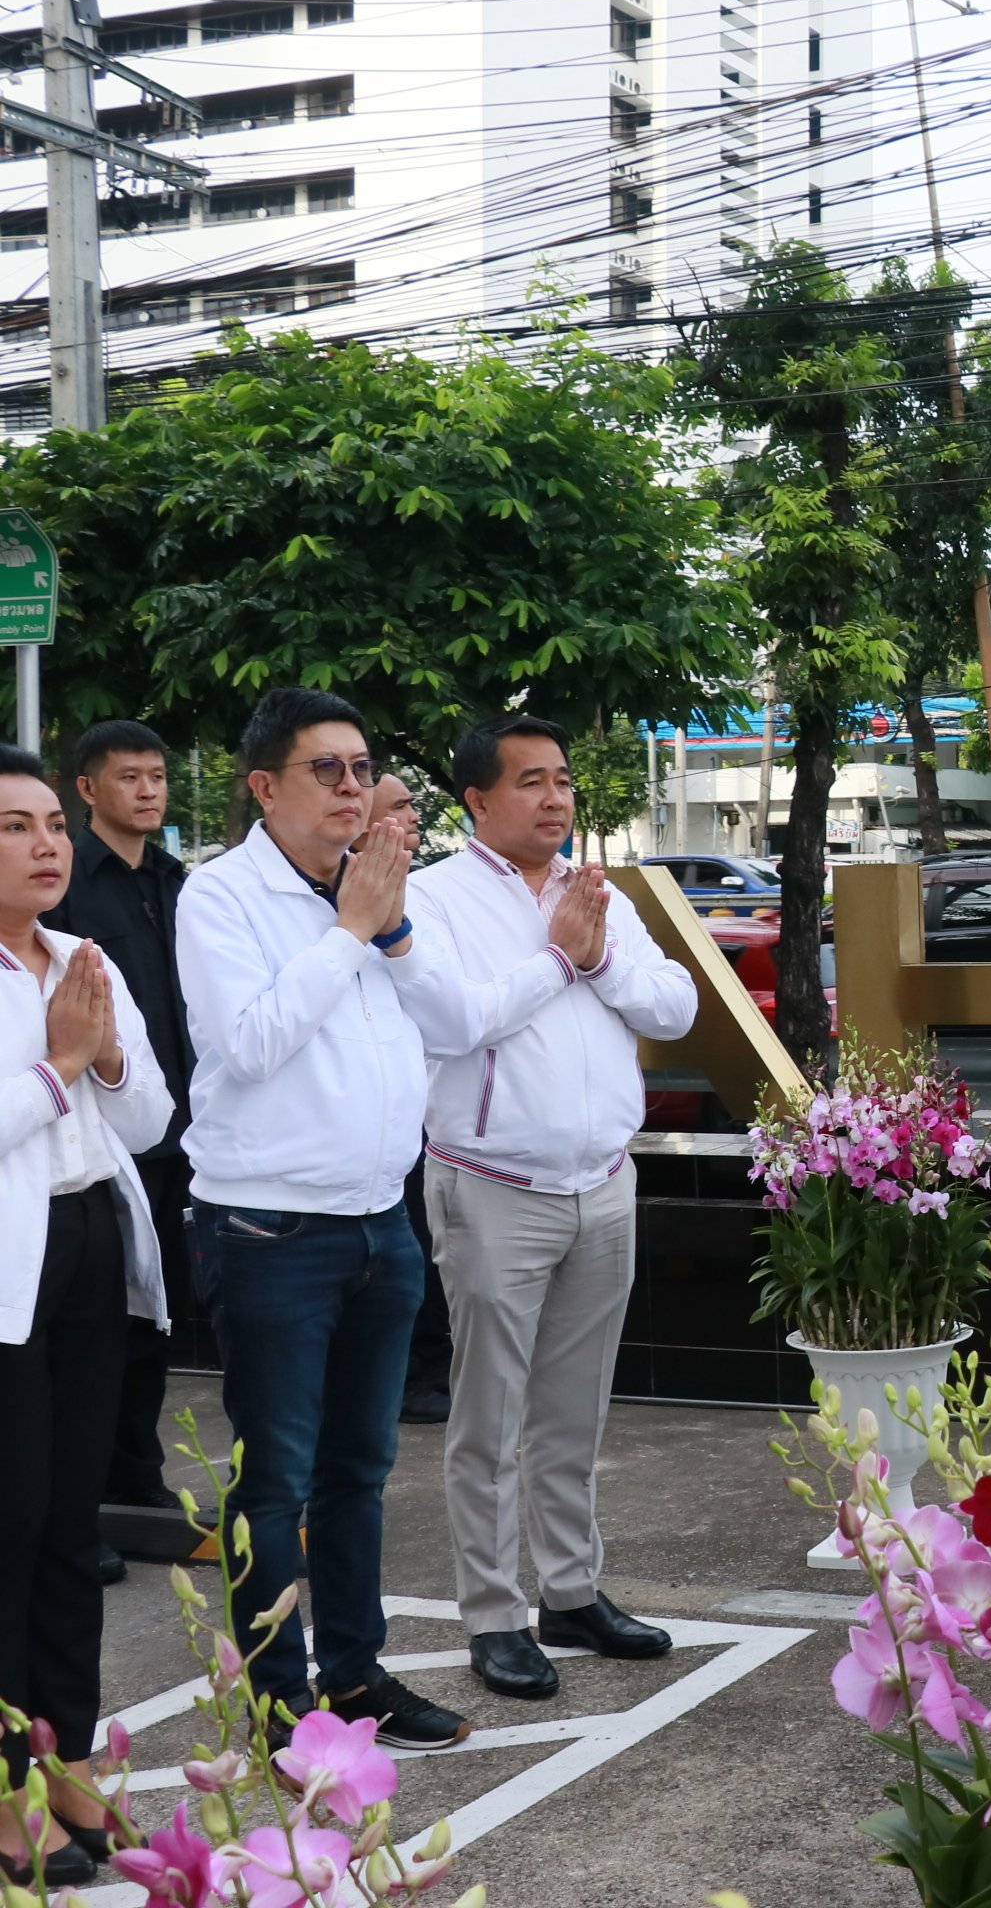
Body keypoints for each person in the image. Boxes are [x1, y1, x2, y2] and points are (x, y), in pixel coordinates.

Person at [178, 689, 473, 1749]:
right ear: (265, 786)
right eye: (328, 772)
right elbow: (250, 1043)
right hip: (270, 1232)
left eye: (362, 769)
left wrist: (387, 932)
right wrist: (349, 933)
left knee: (361, 1468)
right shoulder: (220, 897)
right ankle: (278, 1693)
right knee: (277, 1477)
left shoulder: (376, 892)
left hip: (377, 1222)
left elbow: (458, 1023)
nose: (355, 789)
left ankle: (354, 1673)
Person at [407, 716, 694, 1701]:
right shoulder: (430, 898)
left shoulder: (593, 889)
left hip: (602, 1183)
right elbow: (451, 1020)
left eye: (562, 779)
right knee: (489, 1416)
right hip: (494, 1187)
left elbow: (674, 1007)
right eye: (530, 781)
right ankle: (495, 1613)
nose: (556, 797)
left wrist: (599, 951)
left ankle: (571, 1589)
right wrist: (561, 961)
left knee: (575, 1411)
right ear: (477, 801)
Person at [0, 745, 173, 1889]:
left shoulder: (81, 956)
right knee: (5, 1539)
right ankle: (8, 1790)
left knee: (72, 1532)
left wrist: (104, 1057)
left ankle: (61, 1761)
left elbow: (154, 1119)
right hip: (6, 1277)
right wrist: (63, 1065)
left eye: (53, 823)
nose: (48, 844)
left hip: (89, 1248)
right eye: (17, 827)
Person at [46, 721, 192, 1565]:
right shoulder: (68, 895)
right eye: (129, 777)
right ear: (88, 789)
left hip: (171, 1127)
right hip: (88, 1137)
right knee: (85, 1331)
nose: (148, 790)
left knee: (155, 1319)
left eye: (158, 775)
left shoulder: (178, 882)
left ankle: (134, 1473)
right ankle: (82, 1499)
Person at [366, 774, 453, 1427]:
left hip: (424, 1112)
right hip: (377, 1122)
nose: (413, 815)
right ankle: (409, 1379)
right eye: (398, 807)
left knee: (425, 1251)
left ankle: (426, 1372)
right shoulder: (350, 907)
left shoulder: (420, 895)